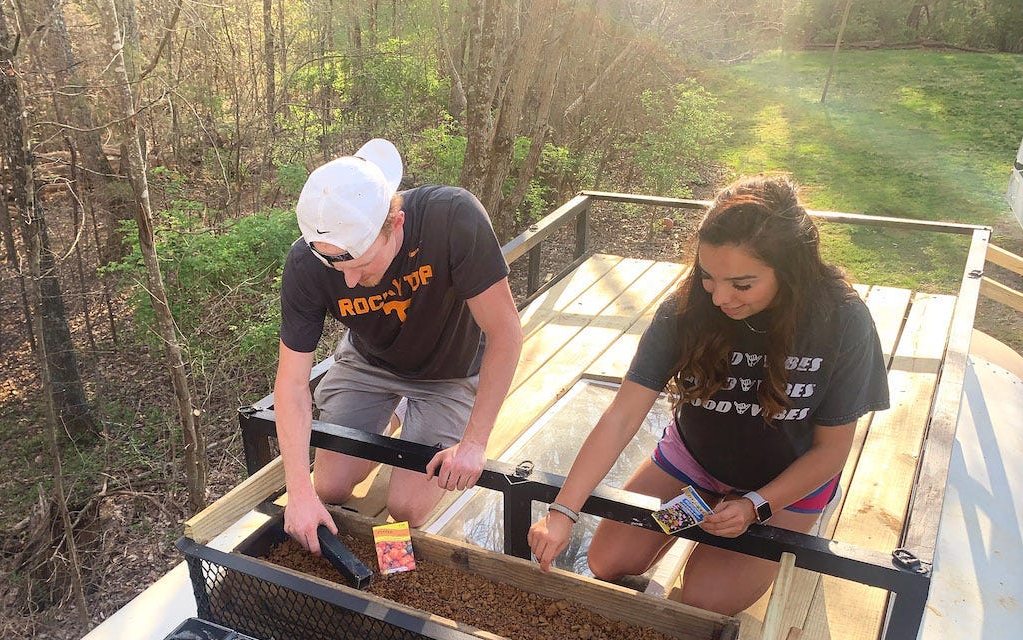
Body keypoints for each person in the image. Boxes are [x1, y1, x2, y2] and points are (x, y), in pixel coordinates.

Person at [528, 176, 890, 614]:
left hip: (783, 486)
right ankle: (706, 509)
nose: (720, 297)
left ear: (790, 270)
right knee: (607, 561)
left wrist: (755, 505)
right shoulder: (686, 309)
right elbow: (622, 417)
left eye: (742, 284)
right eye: (707, 277)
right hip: (696, 474)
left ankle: (761, 523)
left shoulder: (842, 320)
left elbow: (832, 452)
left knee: (704, 598)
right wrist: (564, 511)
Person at [275, 139, 522, 554]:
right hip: (369, 363)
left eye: (360, 265)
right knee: (330, 487)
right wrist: (299, 492)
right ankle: (392, 412)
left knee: (406, 507)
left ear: (398, 224)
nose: (348, 282)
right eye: (336, 266)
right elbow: (292, 384)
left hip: (451, 370)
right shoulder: (305, 263)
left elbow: (506, 332)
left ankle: (412, 413)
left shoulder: (452, 219)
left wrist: (475, 443)